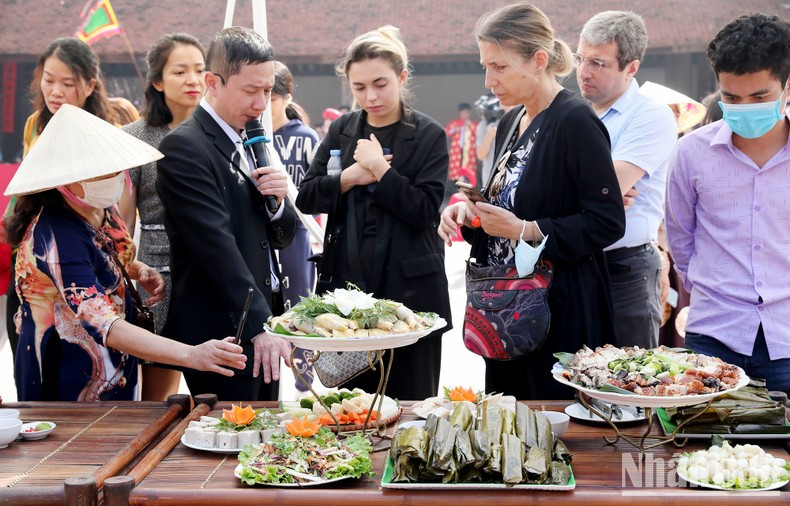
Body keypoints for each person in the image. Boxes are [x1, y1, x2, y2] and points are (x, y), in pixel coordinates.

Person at [439, 2, 625, 400]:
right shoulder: (512, 119)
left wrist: (526, 230)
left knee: (558, 435)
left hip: (560, 308)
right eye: (485, 66)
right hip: (508, 311)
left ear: (539, 60)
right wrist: (471, 213)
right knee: (510, 427)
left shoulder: (575, 120)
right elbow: (509, 207)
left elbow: (607, 222)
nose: (489, 80)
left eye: (500, 67)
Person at [4, 104, 246, 401]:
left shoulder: (99, 208)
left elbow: (111, 253)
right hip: (67, 380)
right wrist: (192, 354)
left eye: (114, 167)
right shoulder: (54, 237)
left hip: (112, 370)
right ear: (65, 181)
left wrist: (138, 270)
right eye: (100, 171)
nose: (114, 176)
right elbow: (104, 323)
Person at [296, 25, 452, 400]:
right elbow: (306, 197)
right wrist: (349, 177)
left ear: (402, 77)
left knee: (411, 403)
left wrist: (381, 172)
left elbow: (424, 211)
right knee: (348, 405)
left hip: (410, 290)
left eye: (380, 83)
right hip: (347, 288)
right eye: (360, 87)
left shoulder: (429, 134)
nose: (371, 95)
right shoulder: (342, 130)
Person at [156, 26, 297, 401]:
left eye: (268, 91)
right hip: (224, 331)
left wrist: (280, 201)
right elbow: (214, 246)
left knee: (266, 437)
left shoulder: (251, 137)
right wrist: (257, 326)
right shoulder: (184, 148)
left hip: (264, 318)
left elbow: (283, 235)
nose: (261, 104)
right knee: (232, 441)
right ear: (212, 83)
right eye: (250, 91)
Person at [666, 14, 790, 393]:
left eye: (760, 97)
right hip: (713, 338)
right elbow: (681, 242)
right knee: (705, 451)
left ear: (787, 87)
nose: (745, 107)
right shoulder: (690, 153)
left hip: (786, 339)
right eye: (732, 98)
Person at [4, 38, 113, 368]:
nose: (55, 91)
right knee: (28, 345)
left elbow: (106, 203)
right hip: (31, 251)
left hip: (75, 250)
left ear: (90, 85)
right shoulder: (35, 123)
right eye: (48, 79)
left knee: (78, 355)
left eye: (68, 83)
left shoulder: (99, 131)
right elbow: (24, 188)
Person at [576, 11, 677, 349]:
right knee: (569, 379)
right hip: (570, 263)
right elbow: (600, 191)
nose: (583, 72)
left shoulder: (651, 115)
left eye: (598, 63)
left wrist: (595, 189)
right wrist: (593, 191)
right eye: (580, 59)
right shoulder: (573, 112)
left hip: (625, 268)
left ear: (630, 68)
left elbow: (610, 185)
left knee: (627, 381)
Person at [120, 33, 206, 401]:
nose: (193, 80)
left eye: (201, 70)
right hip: (158, 274)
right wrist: (127, 269)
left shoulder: (218, 131)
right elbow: (121, 225)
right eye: (180, 71)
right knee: (160, 390)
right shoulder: (135, 137)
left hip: (211, 265)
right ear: (158, 81)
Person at [270, 60, 320, 392]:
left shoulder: (304, 137)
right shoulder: (249, 137)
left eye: (270, 97)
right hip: (261, 234)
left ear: (286, 97)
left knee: (299, 304)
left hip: (296, 232)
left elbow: (318, 190)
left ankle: (304, 378)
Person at [445, 102, 478, 186]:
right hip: (457, 151)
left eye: (466, 113)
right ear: (459, 113)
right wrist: (454, 129)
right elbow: (446, 132)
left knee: (468, 171)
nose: (464, 115)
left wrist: (470, 125)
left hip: (469, 152)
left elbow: (478, 134)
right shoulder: (455, 123)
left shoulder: (473, 124)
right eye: (462, 113)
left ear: (469, 112)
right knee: (456, 171)